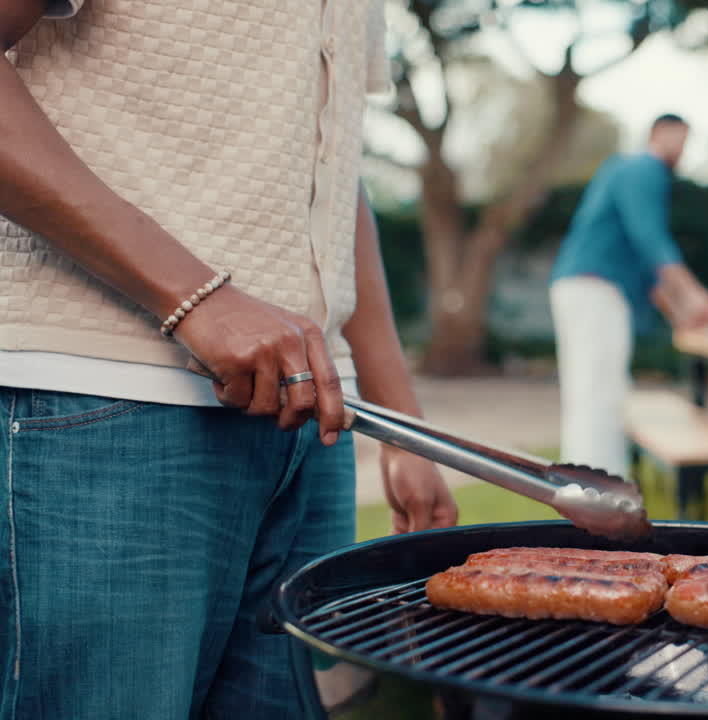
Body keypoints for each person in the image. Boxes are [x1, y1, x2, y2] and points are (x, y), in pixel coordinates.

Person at [0, 1, 457, 718]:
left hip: (309, 429)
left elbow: (332, 176)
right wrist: (195, 297)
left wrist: (400, 420)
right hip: (103, 409)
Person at [550, 114, 708, 478]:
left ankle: (590, 488)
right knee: (600, 396)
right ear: (657, 133)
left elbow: (645, 269)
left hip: (583, 287)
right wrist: (694, 295)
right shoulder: (643, 169)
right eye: (679, 138)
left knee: (592, 393)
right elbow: (651, 240)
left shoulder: (625, 171)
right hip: (593, 288)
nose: (682, 150)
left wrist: (678, 314)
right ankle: (601, 492)